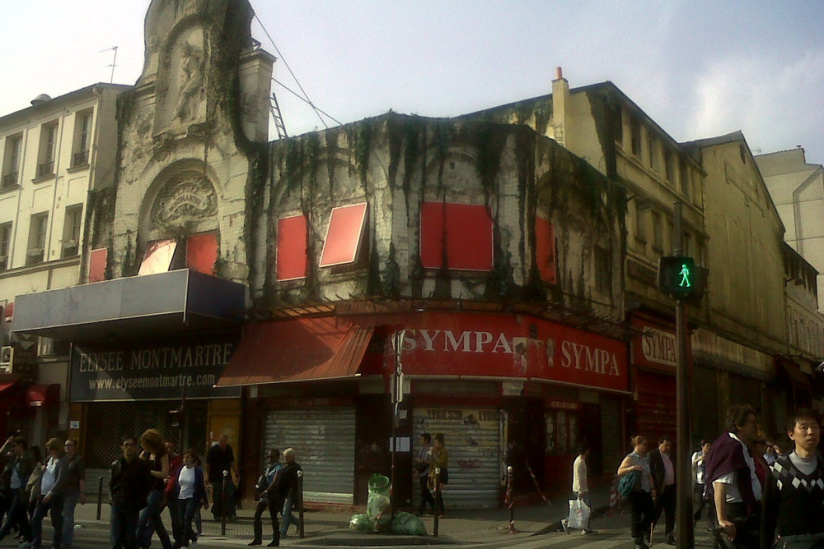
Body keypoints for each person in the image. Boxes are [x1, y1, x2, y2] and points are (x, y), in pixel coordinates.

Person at [761, 408, 824, 549]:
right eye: (804, 427)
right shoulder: (778, 470)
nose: (810, 432)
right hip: (790, 544)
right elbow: (768, 516)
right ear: (791, 434)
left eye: (815, 427)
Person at [706, 404, 762, 549]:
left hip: (747, 511)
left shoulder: (739, 445)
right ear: (739, 425)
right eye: (752, 422)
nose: (756, 426)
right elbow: (720, 483)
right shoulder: (731, 446)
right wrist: (722, 518)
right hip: (737, 513)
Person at [110, 436, 153, 549]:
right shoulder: (116, 464)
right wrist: (112, 497)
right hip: (118, 503)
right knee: (116, 538)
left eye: (131, 445)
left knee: (129, 539)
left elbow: (147, 485)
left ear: (136, 447)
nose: (129, 448)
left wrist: (140, 501)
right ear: (122, 447)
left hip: (133, 504)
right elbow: (112, 483)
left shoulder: (142, 465)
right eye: (126, 445)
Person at [617, 435, 656, 549]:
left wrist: (653, 488)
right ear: (637, 445)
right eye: (643, 444)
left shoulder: (645, 458)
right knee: (636, 515)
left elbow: (649, 474)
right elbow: (620, 471)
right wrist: (631, 468)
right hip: (635, 491)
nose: (645, 447)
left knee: (651, 513)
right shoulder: (630, 458)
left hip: (646, 490)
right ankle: (637, 540)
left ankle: (642, 532)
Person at [136, 429, 173, 549]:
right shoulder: (145, 454)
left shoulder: (162, 454)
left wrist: (150, 472)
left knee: (142, 519)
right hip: (146, 489)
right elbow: (137, 466)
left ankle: (135, 544)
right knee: (156, 522)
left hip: (157, 490)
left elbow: (165, 473)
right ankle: (167, 545)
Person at [30, 438, 68, 549]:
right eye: (48, 449)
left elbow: (61, 479)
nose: (50, 451)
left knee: (56, 520)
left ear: (57, 449)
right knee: (36, 519)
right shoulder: (48, 459)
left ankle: (56, 544)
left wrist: (51, 493)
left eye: (52, 449)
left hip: (55, 495)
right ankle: (36, 542)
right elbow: (43, 474)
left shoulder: (63, 461)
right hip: (43, 493)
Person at [0, 436, 36, 547]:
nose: (12, 448)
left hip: (21, 492)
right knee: (21, 518)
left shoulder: (29, 458)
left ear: (21, 445)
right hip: (10, 490)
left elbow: (34, 474)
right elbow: (0, 456)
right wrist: (6, 443)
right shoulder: (13, 457)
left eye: (14, 445)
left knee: (11, 518)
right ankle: (31, 539)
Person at [169, 449, 208, 549]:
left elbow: (201, 487)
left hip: (192, 498)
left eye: (188, 457)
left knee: (187, 519)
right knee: (181, 522)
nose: (185, 459)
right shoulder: (180, 470)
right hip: (180, 497)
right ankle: (193, 536)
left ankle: (184, 543)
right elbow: (177, 483)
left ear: (193, 459)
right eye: (184, 457)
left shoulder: (197, 472)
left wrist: (205, 500)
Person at [249, 449, 283, 546]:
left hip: (273, 495)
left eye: (271, 456)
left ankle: (276, 539)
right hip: (265, 495)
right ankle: (257, 538)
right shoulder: (269, 467)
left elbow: (275, 482)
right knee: (257, 515)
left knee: (273, 517)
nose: (269, 458)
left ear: (277, 457)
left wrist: (266, 491)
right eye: (268, 456)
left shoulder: (279, 468)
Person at [649, 435, 676, 545]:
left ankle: (669, 536)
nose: (668, 447)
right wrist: (652, 488)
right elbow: (649, 472)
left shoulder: (672, 455)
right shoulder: (653, 455)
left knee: (671, 514)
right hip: (659, 489)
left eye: (669, 445)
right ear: (660, 444)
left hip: (671, 488)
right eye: (666, 445)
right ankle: (648, 533)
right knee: (656, 513)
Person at [205, 434, 238, 521]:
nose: (223, 443)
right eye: (222, 441)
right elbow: (207, 464)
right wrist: (207, 476)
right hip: (215, 476)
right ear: (219, 441)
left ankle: (231, 513)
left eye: (225, 441)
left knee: (230, 493)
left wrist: (236, 472)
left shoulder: (228, 449)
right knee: (217, 495)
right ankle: (217, 514)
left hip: (227, 476)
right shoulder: (213, 450)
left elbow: (232, 462)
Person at [61, 438, 85, 547]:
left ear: (75, 447)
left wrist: (82, 493)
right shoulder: (63, 459)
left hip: (72, 491)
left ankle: (66, 541)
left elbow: (81, 477)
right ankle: (60, 537)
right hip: (61, 491)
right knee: (60, 515)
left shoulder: (78, 460)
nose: (67, 447)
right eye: (66, 445)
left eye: (70, 445)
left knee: (67, 514)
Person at [570, 443, 594, 534]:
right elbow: (578, 477)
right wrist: (580, 490)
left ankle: (586, 527)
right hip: (581, 489)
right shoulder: (580, 462)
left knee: (582, 508)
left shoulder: (580, 460)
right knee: (585, 508)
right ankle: (568, 521)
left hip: (582, 488)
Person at [278, 448, 302, 541]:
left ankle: (282, 532)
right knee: (283, 512)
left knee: (285, 512)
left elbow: (296, 482)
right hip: (283, 493)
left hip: (290, 493)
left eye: (286, 457)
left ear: (291, 457)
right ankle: (298, 523)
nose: (285, 458)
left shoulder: (295, 467)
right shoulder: (286, 466)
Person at [164, 441, 183, 544]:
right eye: (167, 447)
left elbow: (174, 478)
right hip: (160, 491)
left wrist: (166, 493)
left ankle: (178, 540)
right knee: (152, 517)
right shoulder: (160, 459)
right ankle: (145, 539)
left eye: (171, 448)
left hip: (172, 494)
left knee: (175, 519)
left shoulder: (176, 460)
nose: (169, 450)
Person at [692, 440, 713, 529]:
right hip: (700, 483)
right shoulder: (697, 454)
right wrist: (700, 459)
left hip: (708, 483)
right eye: (707, 446)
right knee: (699, 504)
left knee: (710, 505)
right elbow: (692, 465)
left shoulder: (712, 456)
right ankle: (694, 520)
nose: (709, 448)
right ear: (702, 446)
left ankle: (710, 524)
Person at [414, 433, 435, 517]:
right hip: (422, 474)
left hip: (427, 474)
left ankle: (420, 512)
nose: (420, 441)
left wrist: (423, 461)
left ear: (426, 440)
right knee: (426, 493)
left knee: (424, 493)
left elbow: (432, 461)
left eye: (422, 439)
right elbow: (419, 460)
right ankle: (436, 508)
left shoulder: (430, 450)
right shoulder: (422, 449)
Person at [430, 433, 449, 518]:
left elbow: (441, 462)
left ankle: (441, 511)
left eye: (436, 443)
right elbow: (433, 463)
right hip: (436, 472)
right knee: (436, 492)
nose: (435, 445)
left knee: (438, 492)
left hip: (442, 473)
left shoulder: (444, 451)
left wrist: (434, 455)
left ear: (441, 443)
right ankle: (438, 510)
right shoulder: (437, 451)